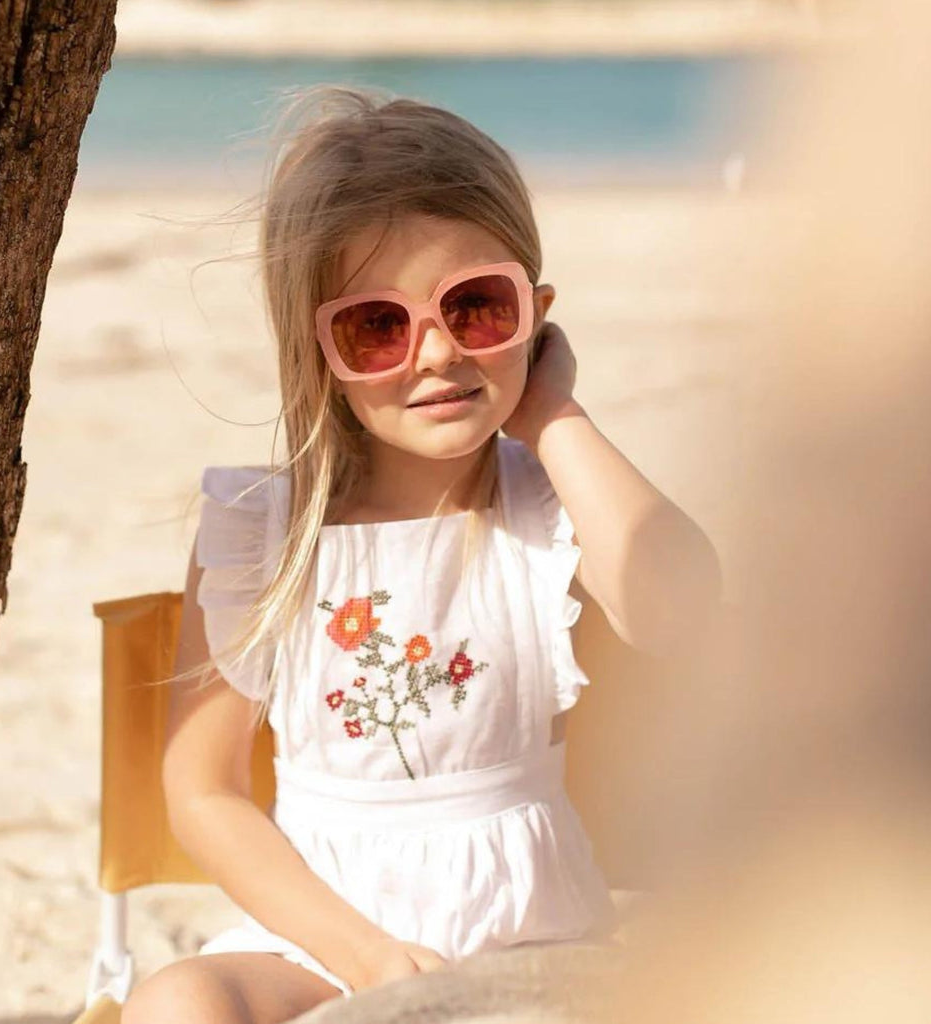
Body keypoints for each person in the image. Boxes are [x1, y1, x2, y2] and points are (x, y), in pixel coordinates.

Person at [121, 87, 722, 1024]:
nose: (436, 354)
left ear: (536, 315)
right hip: (325, 943)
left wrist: (553, 414)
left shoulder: (546, 506)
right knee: (177, 1001)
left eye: (476, 308)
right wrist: (363, 954)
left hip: (532, 937)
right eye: (379, 326)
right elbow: (201, 792)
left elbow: (679, 611)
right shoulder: (260, 529)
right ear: (320, 354)